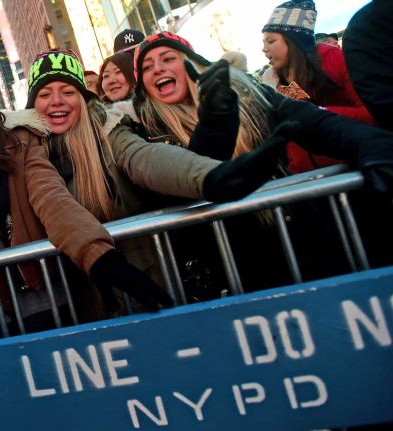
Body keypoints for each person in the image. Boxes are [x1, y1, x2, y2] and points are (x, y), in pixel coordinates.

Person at [0, 33, 173, 402]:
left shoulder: (20, 136)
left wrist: (101, 257)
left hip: (55, 297)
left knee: (89, 402)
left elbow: (50, 198)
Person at [27, 48, 298, 301]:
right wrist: (99, 258)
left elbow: (146, 158)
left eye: (67, 91)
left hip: (151, 288)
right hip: (87, 301)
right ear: (32, 104)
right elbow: (51, 200)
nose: (57, 102)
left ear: (83, 100)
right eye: (45, 94)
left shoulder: (109, 131)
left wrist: (212, 176)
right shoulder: (26, 151)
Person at [130, 31, 393, 287]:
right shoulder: (149, 134)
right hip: (240, 271)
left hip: (304, 241)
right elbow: (190, 178)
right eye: (147, 67)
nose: (158, 69)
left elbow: (312, 122)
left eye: (168, 58)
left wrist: (373, 146)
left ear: (193, 63)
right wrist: (216, 125)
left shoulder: (248, 94)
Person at [261, 0, 374, 173]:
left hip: (352, 172)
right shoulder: (274, 78)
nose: (264, 49)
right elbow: (293, 123)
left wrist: (318, 113)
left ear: (294, 41)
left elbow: (370, 113)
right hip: (307, 180)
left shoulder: (333, 59)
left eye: (271, 41)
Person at [343, 0, 393, 131]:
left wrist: (320, 111)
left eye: (280, 38)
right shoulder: (286, 77)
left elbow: (367, 113)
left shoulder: (330, 57)